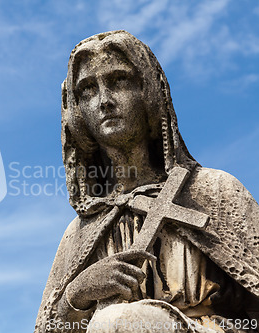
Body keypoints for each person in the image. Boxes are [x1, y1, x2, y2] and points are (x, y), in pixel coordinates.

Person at [35, 30, 259, 333]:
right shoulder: (80, 233)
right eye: (88, 89)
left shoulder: (214, 191)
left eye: (119, 81)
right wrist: (77, 295)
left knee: (116, 321)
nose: (104, 101)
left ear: (148, 91)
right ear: (77, 114)